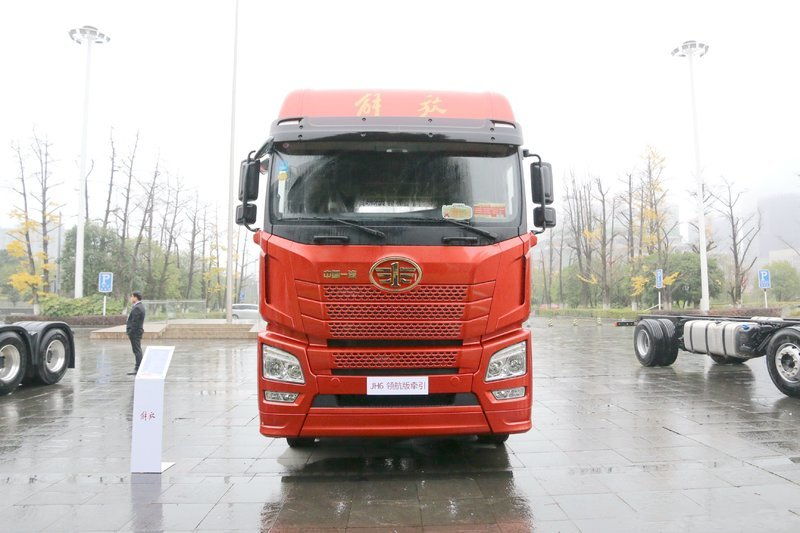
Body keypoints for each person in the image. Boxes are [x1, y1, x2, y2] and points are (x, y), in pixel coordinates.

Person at [126, 291, 146, 375]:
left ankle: (138, 368)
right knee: (137, 350)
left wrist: (130, 331)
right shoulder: (140, 306)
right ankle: (139, 367)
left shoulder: (137, 308)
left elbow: (135, 322)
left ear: (135, 297)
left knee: (137, 350)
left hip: (135, 333)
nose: (131, 298)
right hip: (137, 332)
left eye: (132, 296)